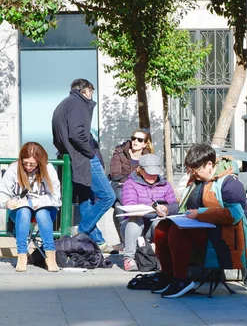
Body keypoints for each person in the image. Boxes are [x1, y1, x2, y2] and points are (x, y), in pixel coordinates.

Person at [150, 144, 247, 298]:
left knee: (178, 231)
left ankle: (182, 280)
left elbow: (235, 214)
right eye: (191, 171)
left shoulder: (229, 182)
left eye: (196, 170)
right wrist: (167, 209)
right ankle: (168, 276)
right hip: (202, 229)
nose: (194, 174)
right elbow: (184, 206)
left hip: (224, 234)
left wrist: (200, 213)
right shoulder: (197, 180)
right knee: (162, 227)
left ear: (209, 164)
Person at [52, 78, 116, 251]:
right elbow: (77, 134)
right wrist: (90, 152)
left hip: (73, 158)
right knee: (108, 196)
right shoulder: (78, 104)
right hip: (83, 158)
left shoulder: (64, 104)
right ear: (85, 91)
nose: (91, 95)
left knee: (85, 200)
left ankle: (98, 242)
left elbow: (60, 137)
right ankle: (82, 231)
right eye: (91, 92)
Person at [0, 142, 61, 272]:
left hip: (45, 210)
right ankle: (22, 255)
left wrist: (33, 203)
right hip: (20, 212)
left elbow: (56, 198)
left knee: (42, 213)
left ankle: (50, 256)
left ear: (40, 161)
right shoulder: (14, 169)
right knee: (23, 211)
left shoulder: (49, 169)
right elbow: (2, 194)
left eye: (32, 164)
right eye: (25, 163)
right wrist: (6, 203)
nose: (28, 167)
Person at [120, 154, 178, 272]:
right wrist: (147, 209)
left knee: (162, 223)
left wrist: (166, 209)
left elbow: (175, 205)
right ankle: (129, 258)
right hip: (132, 226)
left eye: (155, 173)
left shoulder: (165, 185)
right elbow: (129, 204)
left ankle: (162, 259)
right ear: (141, 170)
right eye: (149, 173)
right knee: (134, 220)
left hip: (154, 223)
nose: (152, 176)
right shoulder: (130, 184)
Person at [109, 129, 154, 243]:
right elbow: (115, 175)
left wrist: (131, 180)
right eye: (133, 138)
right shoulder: (119, 152)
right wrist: (132, 179)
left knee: (119, 207)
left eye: (139, 140)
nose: (135, 141)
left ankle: (126, 241)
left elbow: (147, 176)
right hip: (119, 186)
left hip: (138, 188)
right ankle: (135, 239)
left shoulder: (147, 157)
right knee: (124, 197)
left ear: (144, 144)